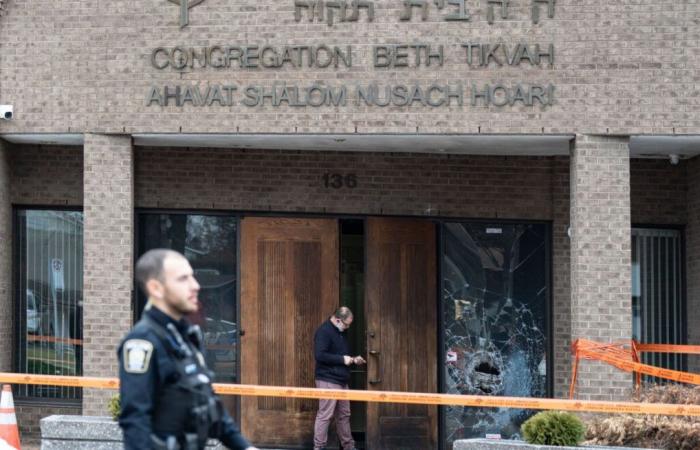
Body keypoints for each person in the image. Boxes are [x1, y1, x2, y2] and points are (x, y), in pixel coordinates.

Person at [117, 249, 259, 450]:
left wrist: (246, 447)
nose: (196, 286)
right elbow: (136, 422)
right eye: (183, 279)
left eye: (192, 277)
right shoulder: (143, 341)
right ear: (156, 288)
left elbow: (210, 406)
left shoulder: (187, 337)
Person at [313, 307, 365, 450]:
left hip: (341, 380)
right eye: (346, 324)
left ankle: (349, 447)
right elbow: (320, 355)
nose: (348, 327)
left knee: (344, 415)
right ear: (337, 320)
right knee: (325, 415)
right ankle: (319, 447)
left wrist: (353, 359)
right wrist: (343, 359)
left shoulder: (340, 332)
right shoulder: (324, 332)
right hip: (327, 379)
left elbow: (339, 355)